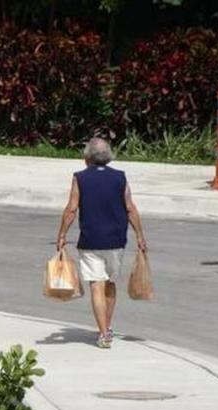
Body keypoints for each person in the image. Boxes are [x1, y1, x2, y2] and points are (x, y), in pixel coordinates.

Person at [56, 136, 147, 349]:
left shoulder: (80, 177)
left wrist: (61, 234)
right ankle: (108, 326)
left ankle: (104, 332)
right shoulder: (120, 177)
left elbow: (71, 208)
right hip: (116, 239)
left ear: (87, 157)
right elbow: (130, 207)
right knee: (109, 283)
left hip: (90, 239)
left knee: (96, 284)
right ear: (108, 156)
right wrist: (140, 236)